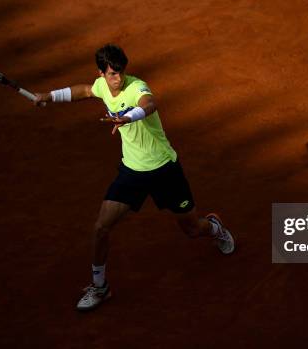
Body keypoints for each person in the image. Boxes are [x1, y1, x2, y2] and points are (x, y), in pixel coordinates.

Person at [33, 44, 235, 311]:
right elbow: (82, 90)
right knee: (101, 228)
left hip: (165, 169)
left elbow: (149, 104)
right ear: (101, 73)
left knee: (192, 229)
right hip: (132, 172)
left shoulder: (137, 86)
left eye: (120, 72)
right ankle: (100, 287)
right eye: (112, 74)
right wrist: (48, 95)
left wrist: (129, 117)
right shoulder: (102, 86)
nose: (118, 77)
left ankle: (214, 227)